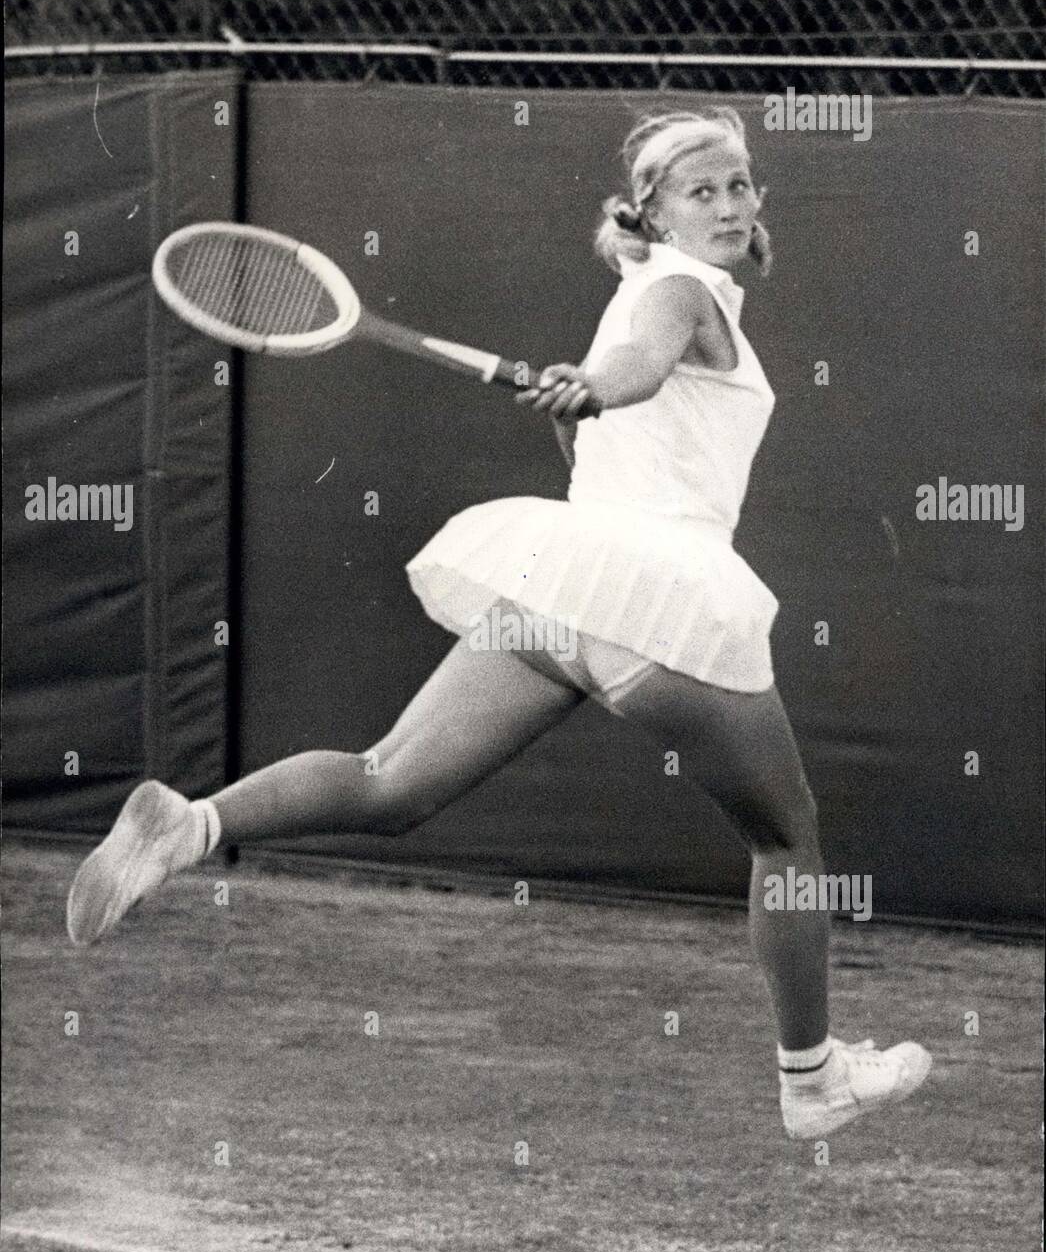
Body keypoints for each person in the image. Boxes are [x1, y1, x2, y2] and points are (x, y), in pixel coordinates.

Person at [67, 108, 930, 1139]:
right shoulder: (674, 292)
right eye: (702, 192)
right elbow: (643, 368)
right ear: (650, 211)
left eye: (740, 185)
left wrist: (581, 398)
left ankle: (194, 822)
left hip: (558, 591)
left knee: (391, 782)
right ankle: (809, 1080)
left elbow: (609, 428)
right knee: (783, 834)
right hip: (656, 594)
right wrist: (602, 386)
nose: (731, 206)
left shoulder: (632, 295)